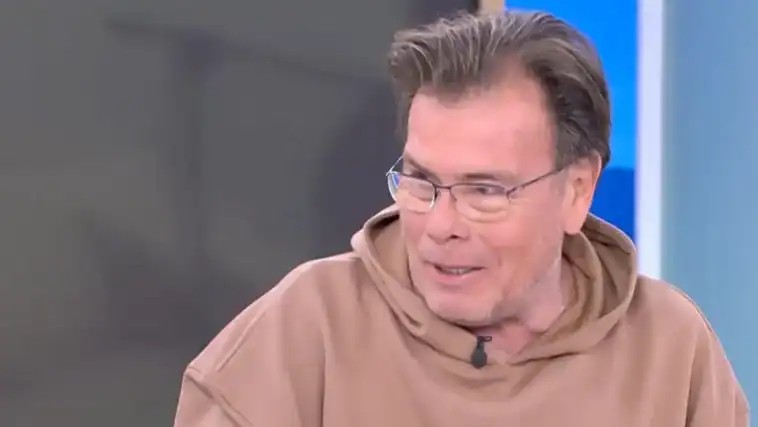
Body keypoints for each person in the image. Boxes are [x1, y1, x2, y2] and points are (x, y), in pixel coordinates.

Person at [172, 10, 749, 427]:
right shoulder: (306, 327)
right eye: (421, 181)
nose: (440, 225)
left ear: (578, 190)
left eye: (485, 191)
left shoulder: (671, 350)